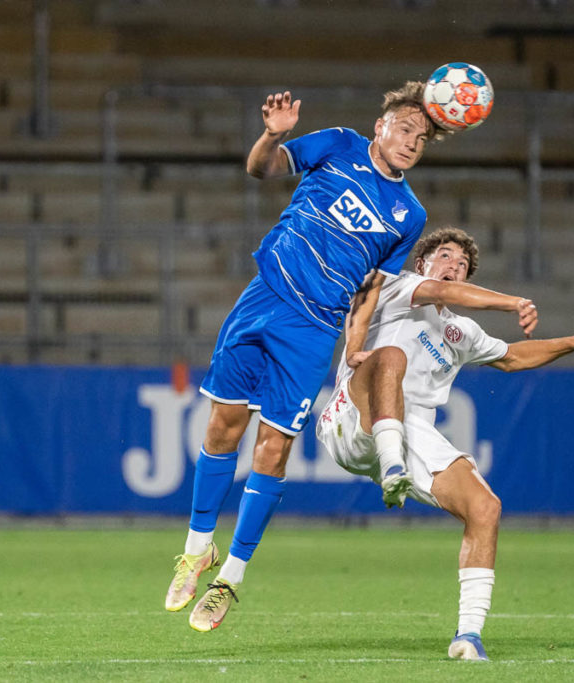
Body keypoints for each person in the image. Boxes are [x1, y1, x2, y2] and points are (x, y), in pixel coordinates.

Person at [165, 83, 442, 632]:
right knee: (222, 426)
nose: (412, 142)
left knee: (272, 448)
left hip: (315, 329)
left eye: (424, 137)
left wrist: (353, 346)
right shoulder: (338, 144)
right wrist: (272, 136)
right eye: (405, 129)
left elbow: (369, 289)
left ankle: (231, 579)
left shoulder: (410, 215)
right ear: (380, 125)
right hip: (264, 296)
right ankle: (198, 550)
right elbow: (261, 170)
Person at [316, 227, 574, 660]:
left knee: (485, 508)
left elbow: (514, 357)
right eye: (444, 257)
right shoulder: (398, 286)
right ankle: (392, 467)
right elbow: (447, 293)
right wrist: (513, 301)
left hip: (413, 433)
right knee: (391, 358)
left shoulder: (460, 332)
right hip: (353, 417)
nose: (453, 267)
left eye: (462, 266)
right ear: (423, 263)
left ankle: (468, 636)